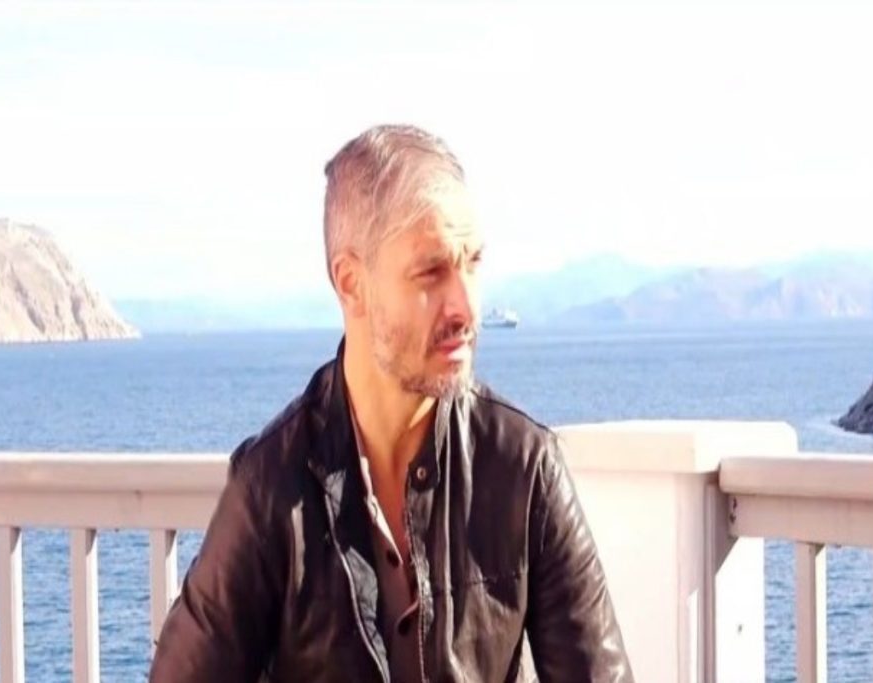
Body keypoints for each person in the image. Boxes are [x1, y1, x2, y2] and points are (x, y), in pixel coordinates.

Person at [149, 124, 632, 682]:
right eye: (431, 272)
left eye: (472, 263)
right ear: (351, 283)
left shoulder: (524, 467)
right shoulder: (271, 488)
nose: (464, 307)